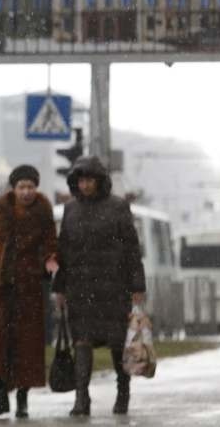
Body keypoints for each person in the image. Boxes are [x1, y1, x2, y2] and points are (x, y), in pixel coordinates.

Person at [52, 156, 145, 417]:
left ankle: (123, 390)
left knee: (117, 344)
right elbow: (63, 250)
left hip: (114, 289)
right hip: (80, 289)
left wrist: (137, 286)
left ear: (100, 180)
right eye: (80, 180)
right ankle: (82, 398)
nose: (85, 185)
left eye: (89, 179)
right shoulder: (70, 210)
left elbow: (131, 249)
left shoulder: (118, 207)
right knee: (81, 343)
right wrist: (59, 287)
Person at [0, 165, 58, 419]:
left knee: (27, 346)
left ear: (36, 188)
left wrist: (51, 260)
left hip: (28, 289)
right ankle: (0, 396)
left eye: (30, 187)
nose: (26, 192)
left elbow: (51, 243)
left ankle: (22, 399)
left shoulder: (43, 213)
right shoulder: (1, 212)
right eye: (21, 187)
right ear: (13, 188)